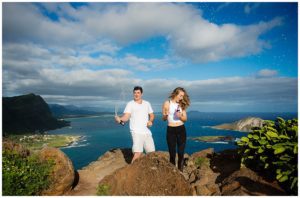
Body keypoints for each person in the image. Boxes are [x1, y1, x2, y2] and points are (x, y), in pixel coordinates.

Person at [115, 86, 155, 163]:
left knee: (152, 153)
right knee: (137, 153)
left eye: (138, 93)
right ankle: (131, 172)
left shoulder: (147, 103)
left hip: (147, 132)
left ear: (141, 94)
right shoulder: (130, 104)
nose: (136, 94)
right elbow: (126, 117)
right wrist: (120, 119)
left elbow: (152, 115)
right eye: (135, 93)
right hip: (136, 132)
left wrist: (150, 121)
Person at [162, 87, 190, 171]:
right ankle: (173, 173)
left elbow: (185, 119)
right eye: (181, 95)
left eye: (183, 96)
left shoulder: (182, 104)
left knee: (181, 154)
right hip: (171, 130)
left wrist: (180, 116)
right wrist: (166, 115)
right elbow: (163, 119)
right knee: (172, 154)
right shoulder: (167, 103)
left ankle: (180, 173)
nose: (182, 97)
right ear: (175, 94)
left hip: (181, 129)